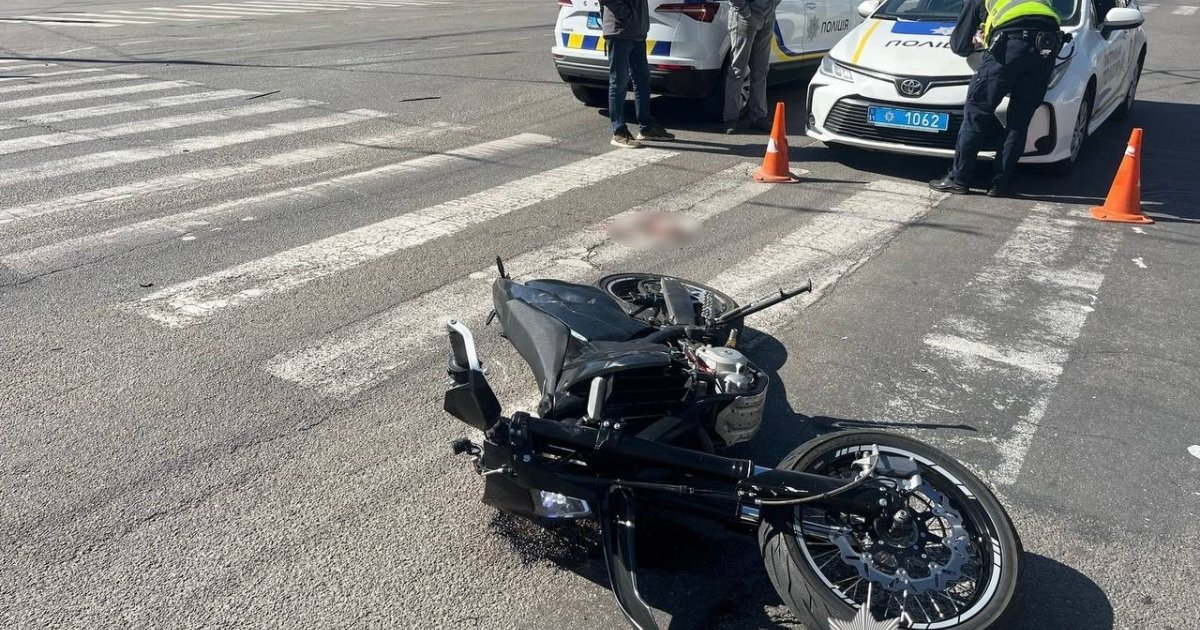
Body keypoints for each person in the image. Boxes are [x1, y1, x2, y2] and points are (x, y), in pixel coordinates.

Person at [929, 0, 1063, 197]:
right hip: (1046, 46)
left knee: (977, 113)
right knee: (1019, 121)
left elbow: (960, 45)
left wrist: (978, 40)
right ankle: (1000, 184)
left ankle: (959, 179)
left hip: (1009, 45)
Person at [600, 0, 675, 148]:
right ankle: (619, 132)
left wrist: (637, 20)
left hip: (637, 32)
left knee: (642, 80)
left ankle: (646, 126)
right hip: (620, 31)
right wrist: (628, 16)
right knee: (619, 82)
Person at [724, 0, 780, 134]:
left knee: (761, 70)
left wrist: (772, 7)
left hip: (767, 17)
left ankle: (759, 117)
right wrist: (746, 14)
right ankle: (730, 119)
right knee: (738, 71)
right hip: (744, 18)